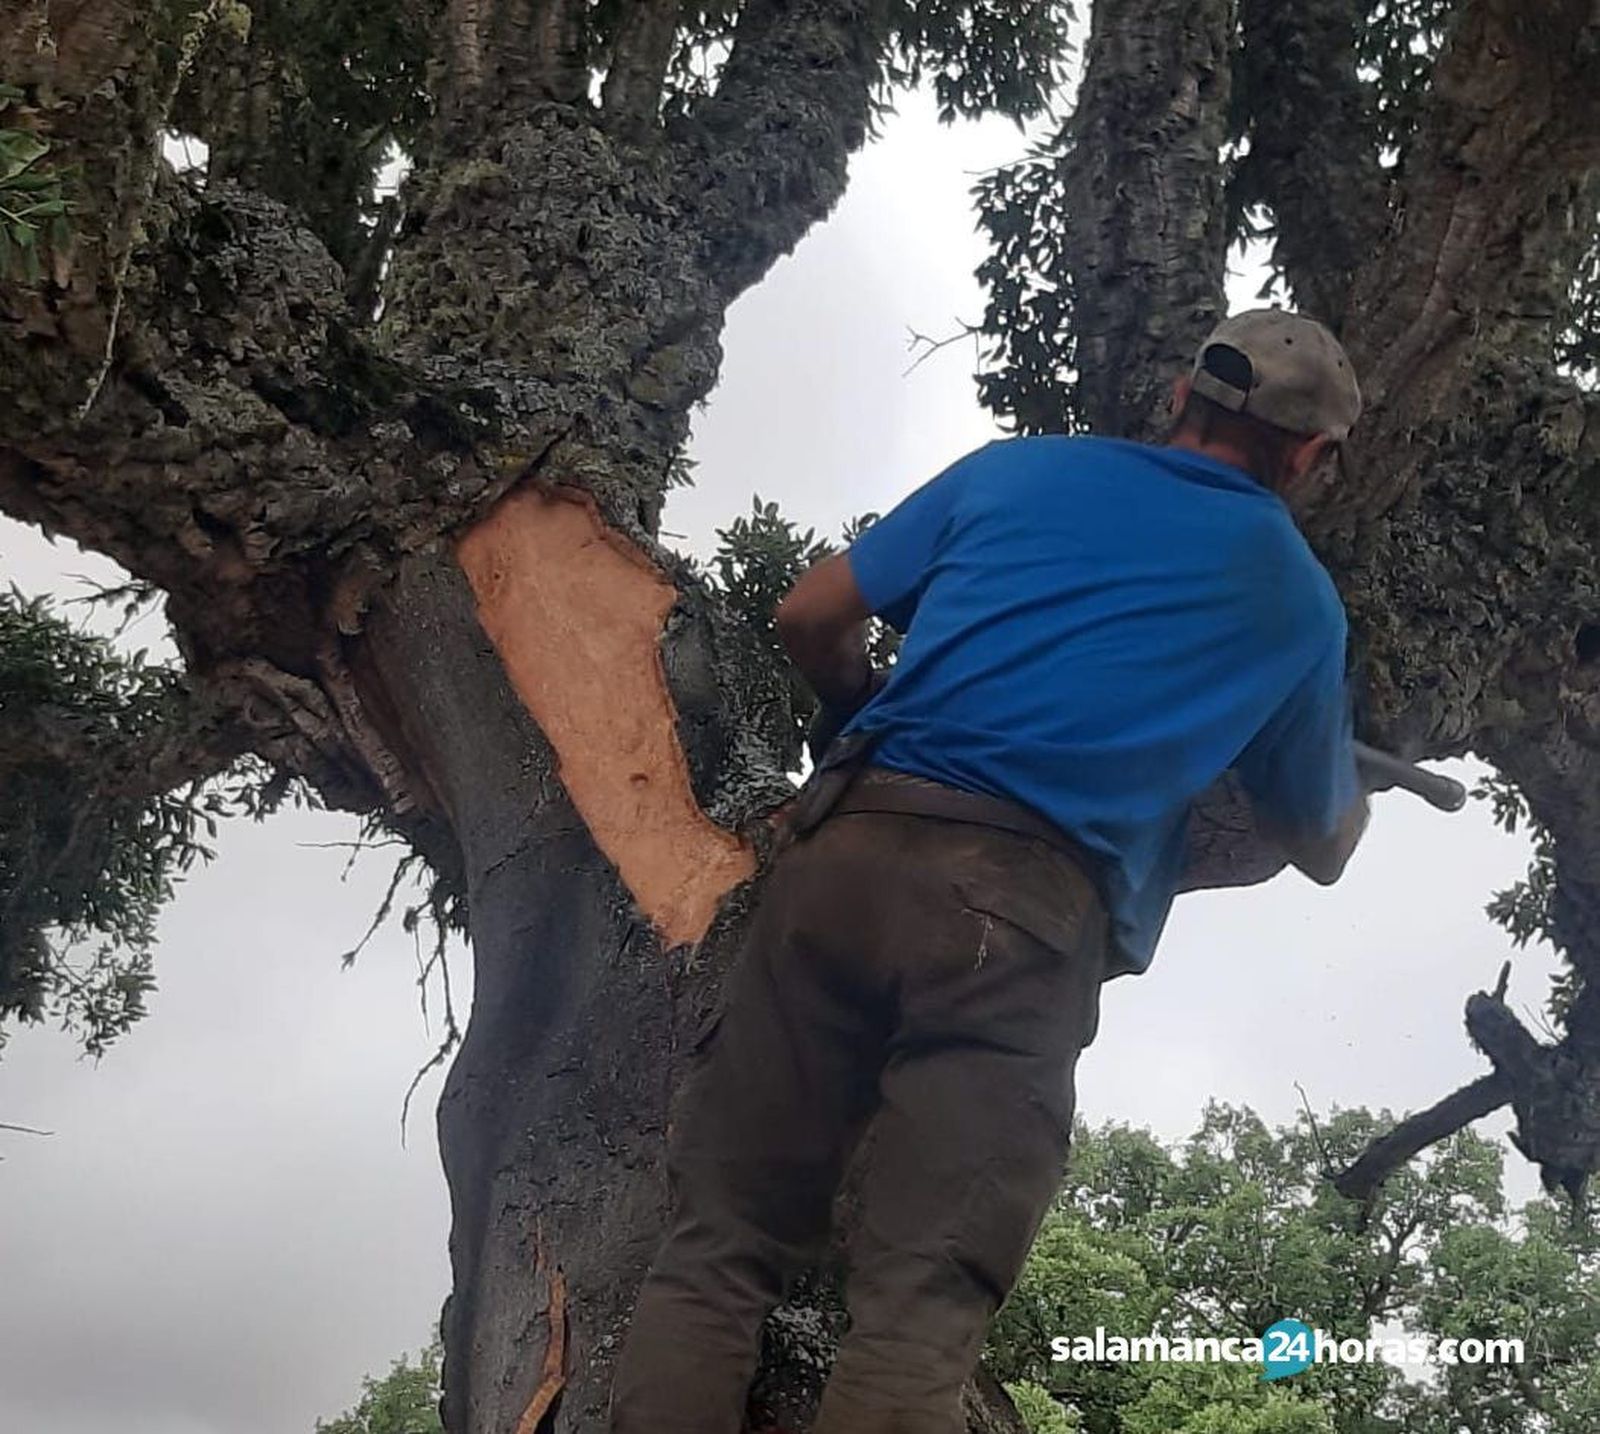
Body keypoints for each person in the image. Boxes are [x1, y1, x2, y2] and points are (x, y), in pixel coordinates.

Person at [608, 308, 1371, 1433]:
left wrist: (857, 704)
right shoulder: (1297, 606)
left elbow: (809, 613)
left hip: (850, 851)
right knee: (918, 1310)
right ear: (1309, 457)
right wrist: (1343, 769)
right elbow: (1321, 844)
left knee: (717, 1250)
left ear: (1178, 395)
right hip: (1018, 927)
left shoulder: (1018, 474)